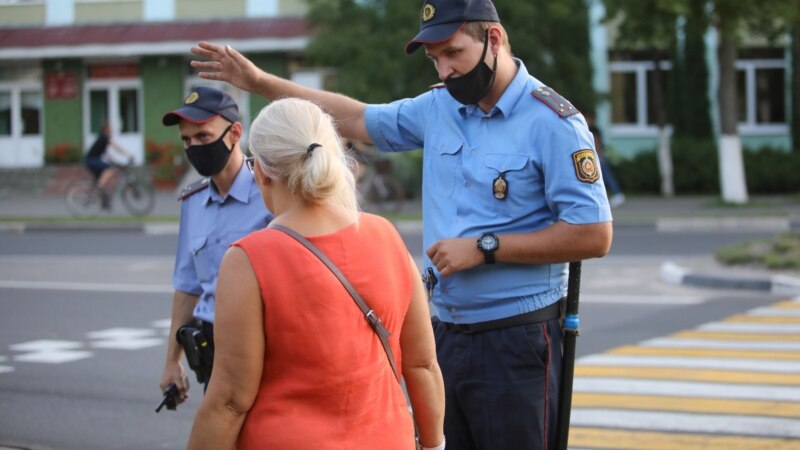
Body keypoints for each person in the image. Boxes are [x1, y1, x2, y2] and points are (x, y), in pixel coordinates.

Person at [190, 0, 613, 447]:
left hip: (518, 338)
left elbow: (594, 233)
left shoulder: (554, 122)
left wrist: (487, 247)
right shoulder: (440, 108)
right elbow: (352, 117)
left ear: (494, 39)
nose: (446, 70)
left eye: (454, 53)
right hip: (449, 334)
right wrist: (259, 83)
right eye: (436, 60)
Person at [185, 98, 445, 450]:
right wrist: (432, 444)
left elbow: (230, 401)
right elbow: (423, 364)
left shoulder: (249, 259)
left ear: (260, 171)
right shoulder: (385, 235)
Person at [158, 86, 273, 403]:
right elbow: (187, 287)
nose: (194, 147)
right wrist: (172, 361)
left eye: (203, 137)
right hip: (212, 350)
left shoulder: (271, 192)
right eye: (186, 141)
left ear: (235, 132)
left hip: (265, 346)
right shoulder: (192, 203)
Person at [84, 123, 131, 209]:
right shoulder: (105, 138)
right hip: (92, 160)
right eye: (110, 129)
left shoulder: (102, 141)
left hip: (92, 160)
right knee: (109, 169)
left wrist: (117, 162)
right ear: (106, 130)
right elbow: (116, 148)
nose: (112, 130)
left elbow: (108, 155)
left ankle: (101, 195)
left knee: (104, 173)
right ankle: (99, 187)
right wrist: (127, 155)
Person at [587, 113, 625, 208]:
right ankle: (610, 195)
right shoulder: (593, 129)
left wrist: (599, 155)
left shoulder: (594, 130)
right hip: (596, 155)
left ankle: (617, 193)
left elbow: (597, 143)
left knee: (605, 176)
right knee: (602, 177)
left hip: (597, 156)